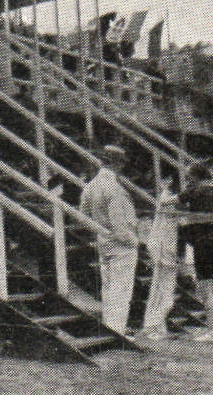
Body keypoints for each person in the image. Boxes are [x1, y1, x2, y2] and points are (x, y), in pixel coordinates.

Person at [78, 144, 140, 336]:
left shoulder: (91, 186)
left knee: (108, 286)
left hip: (103, 242)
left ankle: (109, 325)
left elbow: (83, 215)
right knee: (121, 289)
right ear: (118, 165)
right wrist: (133, 241)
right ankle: (117, 329)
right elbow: (119, 225)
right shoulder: (114, 189)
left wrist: (100, 232)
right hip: (121, 245)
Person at [178, 162, 213, 343]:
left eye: (188, 176)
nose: (186, 179)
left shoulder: (195, 192)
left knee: (205, 289)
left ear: (194, 177)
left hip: (202, 244)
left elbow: (177, 201)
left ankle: (212, 331)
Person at [138, 182, 183, 341]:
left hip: (164, 247)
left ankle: (157, 325)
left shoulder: (166, 198)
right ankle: (153, 326)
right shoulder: (168, 200)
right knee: (162, 289)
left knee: (163, 289)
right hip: (164, 249)